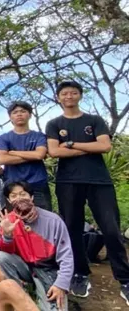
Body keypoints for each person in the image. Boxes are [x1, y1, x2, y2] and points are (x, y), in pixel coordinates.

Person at [45, 80, 129, 302]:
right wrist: (87, 147)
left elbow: (104, 146)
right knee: (72, 229)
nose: (69, 96)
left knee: (111, 229)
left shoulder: (94, 120)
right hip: (68, 182)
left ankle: (125, 278)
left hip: (99, 181)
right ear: (58, 98)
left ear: (79, 96)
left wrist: (71, 145)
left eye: (73, 93)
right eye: (65, 93)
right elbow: (54, 151)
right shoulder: (54, 123)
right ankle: (80, 273)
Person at [0, 182, 73, 311]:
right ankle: (19, 293)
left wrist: (61, 284)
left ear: (31, 197)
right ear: (9, 200)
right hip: (27, 268)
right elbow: (8, 252)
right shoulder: (8, 221)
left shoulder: (53, 220)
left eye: (23, 194)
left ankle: (44, 291)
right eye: (14, 196)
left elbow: (66, 256)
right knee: (0, 256)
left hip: (50, 270)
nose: (19, 198)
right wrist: (7, 235)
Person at [0, 101, 51, 211]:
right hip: (13, 187)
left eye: (23, 111)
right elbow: (2, 159)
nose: (19, 114)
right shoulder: (4, 138)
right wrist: (32, 155)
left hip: (38, 184)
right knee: (17, 222)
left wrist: (13, 152)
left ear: (30, 115)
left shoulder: (39, 136)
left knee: (44, 219)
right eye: (15, 112)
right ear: (10, 117)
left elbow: (39, 155)